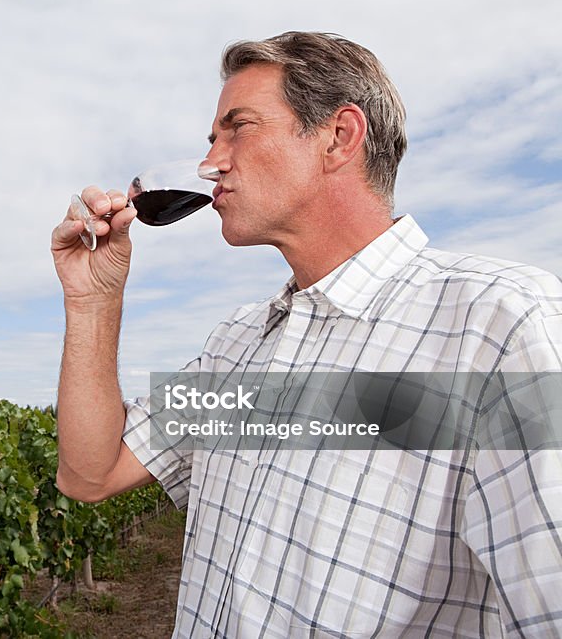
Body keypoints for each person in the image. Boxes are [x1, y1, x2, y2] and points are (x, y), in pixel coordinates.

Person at [50, 31, 562, 638]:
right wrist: (93, 300)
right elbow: (89, 473)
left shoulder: (499, 327)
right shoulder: (237, 346)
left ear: (338, 137)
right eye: (211, 139)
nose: (212, 163)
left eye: (237, 127)